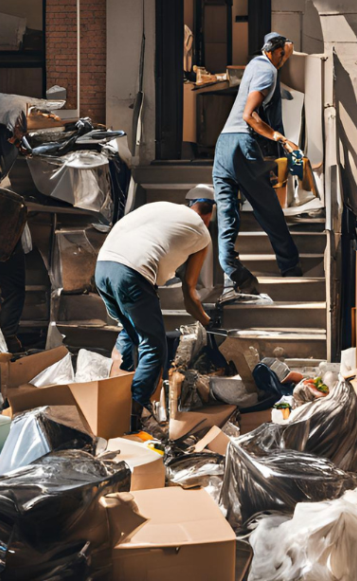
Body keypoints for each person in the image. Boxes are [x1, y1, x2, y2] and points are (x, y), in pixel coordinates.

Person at [94, 185, 215, 426]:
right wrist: (208, 323)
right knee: (154, 344)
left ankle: (110, 403)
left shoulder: (163, 209)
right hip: (132, 272)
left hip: (103, 267)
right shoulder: (202, 233)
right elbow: (189, 295)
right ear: (210, 214)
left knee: (130, 335)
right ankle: (134, 417)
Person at [212, 32, 302, 295]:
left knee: (227, 215)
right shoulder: (267, 71)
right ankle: (290, 266)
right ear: (275, 53)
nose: (285, 61)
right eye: (285, 56)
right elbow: (249, 115)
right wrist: (279, 137)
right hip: (242, 143)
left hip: (223, 146)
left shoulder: (254, 64)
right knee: (269, 210)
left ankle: (231, 270)